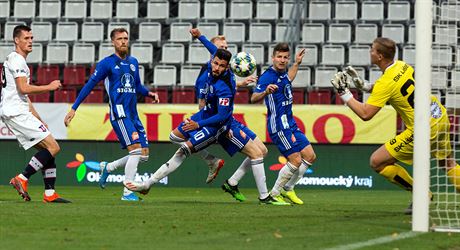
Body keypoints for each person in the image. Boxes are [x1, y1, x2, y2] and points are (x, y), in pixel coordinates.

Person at [331, 37, 460, 214]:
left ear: (380, 56)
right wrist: (366, 86)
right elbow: (393, 86)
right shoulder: (402, 65)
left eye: (373, 50)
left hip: (424, 127)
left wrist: (344, 94)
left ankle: (421, 195)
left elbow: (366, 114)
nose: (370, 52)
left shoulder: (386, 83)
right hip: (439, 115)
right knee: (448, 163)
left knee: (377, 162)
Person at [190, 29, 286, 205]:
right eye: (221, 47)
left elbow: (211, 48)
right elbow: (214, 109)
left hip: (231, 120)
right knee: (257, 155)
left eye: (226, 47)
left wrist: (199, 36)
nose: (223, 50)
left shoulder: (223, 67)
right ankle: (265, 197)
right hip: (226, 124)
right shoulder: (219, 78)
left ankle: (232, 183)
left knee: (262, 151)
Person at [64, 28, 159, 201]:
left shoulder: (133, 62)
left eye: (126, 38)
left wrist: (149, 94)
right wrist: (74, 108)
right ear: (113, 42)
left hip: (133, 114)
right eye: (120, 39)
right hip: (119, 113)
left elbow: (137, 86)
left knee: (143, 155)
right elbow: (89, 85)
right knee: (136, 151)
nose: (123, 41)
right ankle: (128, 192)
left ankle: (108, 168)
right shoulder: (107, 63)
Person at [2, 25, 70, 203]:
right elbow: (23, 88)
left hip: (16, 110)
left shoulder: (14, 59)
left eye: (31, 38)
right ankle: (22, 178)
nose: (30, 41)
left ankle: (50, 194)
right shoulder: (17, 60)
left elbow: (22, 94)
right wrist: (50, 87)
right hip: (16, 112)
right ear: (17, 40)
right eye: (26, 38)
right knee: (54, 147)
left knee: (48, 150)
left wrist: (38, 118)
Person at [251, 43, 317, 205]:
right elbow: (253, 98)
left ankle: (288, 188)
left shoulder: (283, 74)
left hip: (291, 123)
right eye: (279, 57)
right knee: (295, 160)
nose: (282, 60)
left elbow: (289, 78)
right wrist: (266, 91)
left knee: (310, 156)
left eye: (285, 57)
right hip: (279, 125)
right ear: (273, 57)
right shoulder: (267, 76)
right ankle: (274, 194)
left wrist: (297, 63)